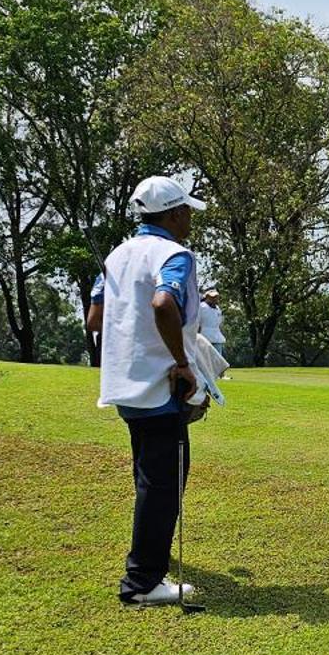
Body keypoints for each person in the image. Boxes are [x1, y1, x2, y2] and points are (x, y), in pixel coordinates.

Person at [88, 175, 209, 605]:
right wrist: (180, 361)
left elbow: (95, 319)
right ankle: (141, 583)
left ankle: (149, 558)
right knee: (164, 482)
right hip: (162, 385)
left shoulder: (116, 255)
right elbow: (163, 303)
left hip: (124, 384)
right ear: (174, 214)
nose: (190, 219)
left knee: (149, 477)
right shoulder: (175, 255)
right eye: (187, 212)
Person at [199, 286, 227, 356]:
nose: (214, 299)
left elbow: (219, 324)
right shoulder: (201, 307)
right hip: (204, 338)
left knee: (218, 362)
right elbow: (197, 323)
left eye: (216, 297)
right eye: (212, 297)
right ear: (206, 297)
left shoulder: (217, 308)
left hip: (217, 338)